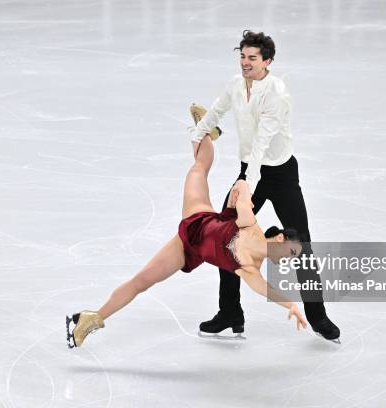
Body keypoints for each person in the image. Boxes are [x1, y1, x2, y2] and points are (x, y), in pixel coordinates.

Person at [66, 133, 308, 348]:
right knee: (198, 169)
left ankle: (91, 318)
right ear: (280, 238)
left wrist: (292, 307)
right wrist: (240, 186)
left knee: (142, 281)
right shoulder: (250, 225)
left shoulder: (250, 269)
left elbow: (267, 289)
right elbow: (244, 186)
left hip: (188, 248)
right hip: (198, 216)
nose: (288, 259)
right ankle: (207, 132)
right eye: (291, 252)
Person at [190, 30, 341, 342]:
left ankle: (318, 315)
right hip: (250, 171)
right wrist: (198, 134)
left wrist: (246, 181)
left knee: (301, 243)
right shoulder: (235, 85)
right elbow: (216, 111)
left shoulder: (276, 92)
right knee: (224, 237)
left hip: (279, 174)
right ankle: (230, 311)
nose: (245, 63)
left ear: (267, 61)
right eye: (242, 56)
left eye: (252, 58)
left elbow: (262, 141)